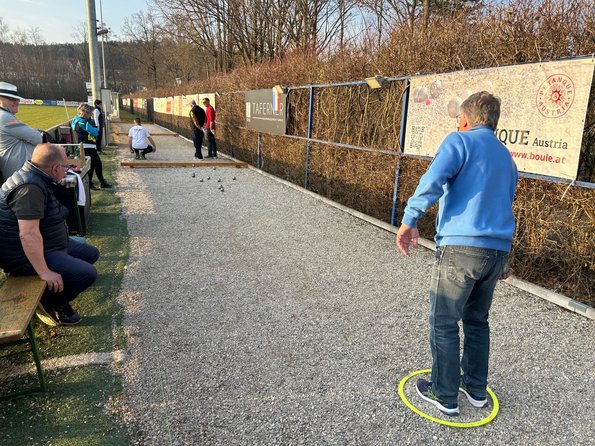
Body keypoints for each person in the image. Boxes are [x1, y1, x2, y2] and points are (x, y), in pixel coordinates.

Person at [396, 91, 518, 416]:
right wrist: (503, 256)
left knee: (444, 321)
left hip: (460, 247)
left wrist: (410, 219)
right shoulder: (507, 157)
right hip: (496, 252)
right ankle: (476, 389)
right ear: (494, 122)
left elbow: (433, 180)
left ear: (464, 119)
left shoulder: (459, 141)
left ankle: (445, 394)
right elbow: (505, 203)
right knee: (477, 321)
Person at [0, 143, 100, 325]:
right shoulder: (29, 189)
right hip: (23, 256)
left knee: (91, 254)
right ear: (55, 168)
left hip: (50, 243)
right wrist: (44, 272)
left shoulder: (38, 176)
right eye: (66, 166)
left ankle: (58, 289)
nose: (68, 170)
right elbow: (28, 234)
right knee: (87, 274)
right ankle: (54, 302)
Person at [0, 82, 43, 183]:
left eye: (17, 99)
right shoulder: (5, 117)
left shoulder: (5, 116)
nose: (17, 101)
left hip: (18, 175)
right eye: (11, 99)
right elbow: (38, 138)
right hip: (21, 176)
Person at [71, 103, 111, 189]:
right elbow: (95, 132)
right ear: (85, 113)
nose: (91, 115)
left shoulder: (76, 120)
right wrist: (95, 127)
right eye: (90, 113)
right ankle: (96, 183)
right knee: (95, 164)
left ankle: (96, 182)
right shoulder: (82, 122)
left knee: (93, 164)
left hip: (86, 145)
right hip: (86, 145)